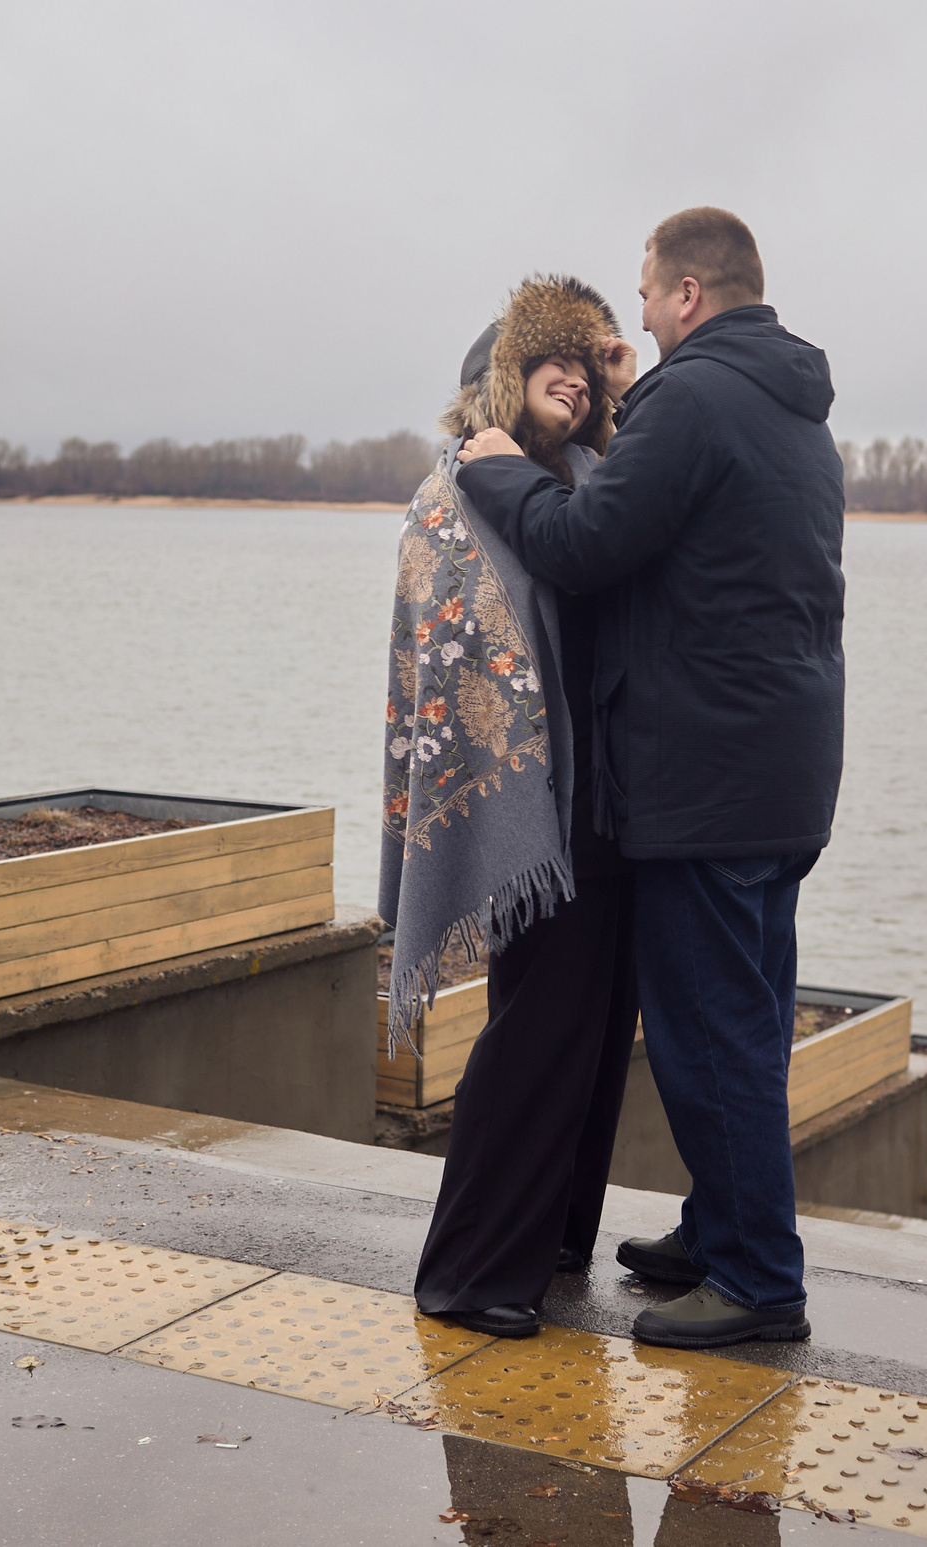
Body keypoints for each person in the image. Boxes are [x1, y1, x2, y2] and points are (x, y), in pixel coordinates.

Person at [455, 208, 844, 1350]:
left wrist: (490, 472)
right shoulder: (787, 405)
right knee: (752, 1015)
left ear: (684, 295)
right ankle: (724, 1227)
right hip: (783, 767)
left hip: (707, 777)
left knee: (707, 1027)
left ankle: (758, 1279)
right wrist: (637, 393)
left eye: (642, 295)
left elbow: (585, 542)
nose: (629, 319)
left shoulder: (695, 398)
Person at [381, 274, 644, 1340]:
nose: (575, 383)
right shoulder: (451, 496)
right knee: (537, 1030)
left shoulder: (577, 485)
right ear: (498, 381)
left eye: (587, 370)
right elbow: (451, 659)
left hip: (598, 806)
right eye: (552, 364)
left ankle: (549, 1244)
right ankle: (467, 1271)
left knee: (587, 1031)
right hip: (530, 808)